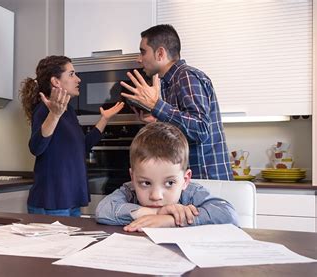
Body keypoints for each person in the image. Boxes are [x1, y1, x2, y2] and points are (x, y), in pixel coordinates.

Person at [121, 24, 233, 180]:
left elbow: (200, 129)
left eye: (142, 52)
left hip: (207, 180)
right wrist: (156, 120)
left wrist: (156, 105)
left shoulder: (186, 76)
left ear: (160, 53)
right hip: (190, 181)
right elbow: (182, 131)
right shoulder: (168, 83)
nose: (138, 59)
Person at [19, 55, 124, 217]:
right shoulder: (44, 109)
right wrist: (54, 115)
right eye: (71, 74)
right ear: (56, 81)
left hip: (70, 201)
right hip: (52, 202)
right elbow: (36, 147)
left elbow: (83, 146)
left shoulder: (69, 112)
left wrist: (104, 119)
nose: (78, 79)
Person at [95, 122, 239, 231]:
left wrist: (170, 220)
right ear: (132, 177)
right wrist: (156, 212)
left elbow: (229, 215)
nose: (156, 196)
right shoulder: (129, 190)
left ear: (185, 179)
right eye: (145, 183)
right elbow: (103, 210)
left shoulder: (192, 192)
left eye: (169, 183)